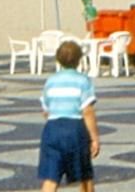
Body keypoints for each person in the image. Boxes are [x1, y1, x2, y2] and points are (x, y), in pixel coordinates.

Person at [38, 41, 100, 191]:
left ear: (58, 59)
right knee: (84, 175)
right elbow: (87, 111)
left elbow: (46, 110)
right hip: (75, 129)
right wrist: (94, 138)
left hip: (52, 129)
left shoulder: (51, 81)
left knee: (51, 177)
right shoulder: (83, 81)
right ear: (79, 60)